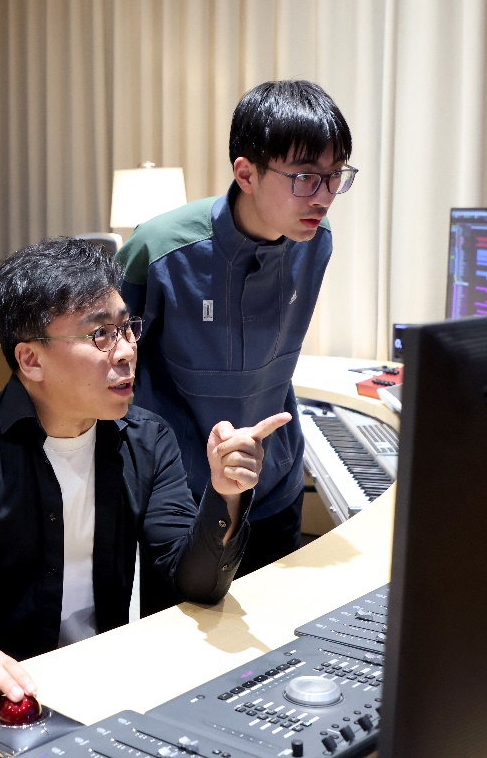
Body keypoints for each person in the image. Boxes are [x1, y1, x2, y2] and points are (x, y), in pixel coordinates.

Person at [0, 237, 289, 712]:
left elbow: (192, 583)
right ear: (31, 360)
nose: (126, 351)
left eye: (127, 328)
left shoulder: (147, 440)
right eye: (100, 334)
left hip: (99, 683)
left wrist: (224, 495)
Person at [116, 80, 355, 582]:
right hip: (181, 492)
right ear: (246, 173)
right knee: (187, 624)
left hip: (274, 482)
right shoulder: (159, 249)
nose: (325, 197)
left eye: (335, 176)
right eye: (306, 177)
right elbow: (110, 365)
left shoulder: (316, 240)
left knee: (278, 621)